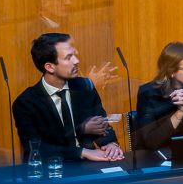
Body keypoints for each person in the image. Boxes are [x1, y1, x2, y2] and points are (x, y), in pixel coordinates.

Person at [11, 32, 123, 163]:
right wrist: (82, 151)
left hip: (89, 164)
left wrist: (110, 144)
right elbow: (36, 148)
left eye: (74, 55)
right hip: (51, 167)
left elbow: (101, 124)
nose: (76, 61)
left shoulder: (84, 87)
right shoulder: (26, 102)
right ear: (50, 67)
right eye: (68, 57)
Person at [133, 42, 183, 151]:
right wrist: (180, 113)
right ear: (171, 71)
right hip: (160, 156)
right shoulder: (148, 93)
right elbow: (151, 142)